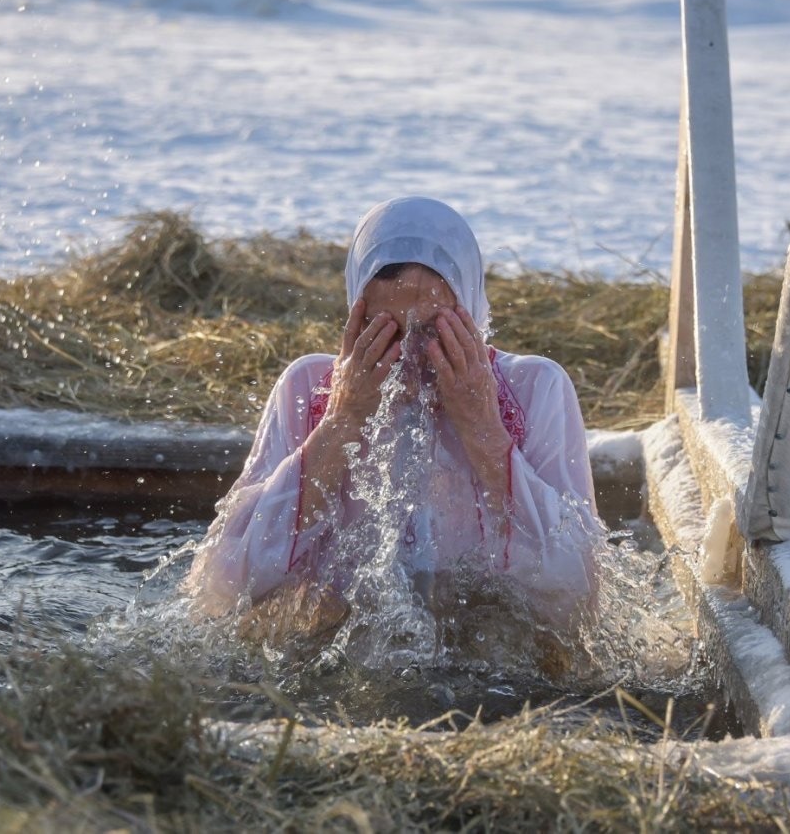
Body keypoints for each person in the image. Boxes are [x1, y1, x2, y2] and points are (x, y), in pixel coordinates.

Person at [185, 196, 602, 653]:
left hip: (493, 664)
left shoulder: (533, 389)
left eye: (431, 331)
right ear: (355, 317)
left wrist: (483, 428)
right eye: (388, 331)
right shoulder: (309, 389)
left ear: (471, 315)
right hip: (341, 654)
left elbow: (575, 596)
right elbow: (221, 587)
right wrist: (342, 422)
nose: (409, 357)